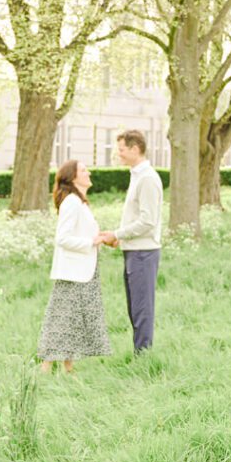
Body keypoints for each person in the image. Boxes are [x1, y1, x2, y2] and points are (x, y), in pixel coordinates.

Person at [37, 160, 113, 373]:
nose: (88, 172)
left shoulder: (80, 203)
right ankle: (46, 368)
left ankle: (67, 368)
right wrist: (92, 242)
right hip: (73, 274)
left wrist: (102, 238)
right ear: (72, 178)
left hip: (83, 272)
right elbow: (63, 238)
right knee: (62, 320)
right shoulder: (71, 202)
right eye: (83, 170)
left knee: (72, 321)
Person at [99, 130, 163, 352]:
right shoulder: (137, 176)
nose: (119, 154)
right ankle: (141, 355)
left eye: (122, 150)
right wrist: (120, 237)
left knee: (142, 309)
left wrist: (118, 234)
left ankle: (143, 359)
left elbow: (148, 221)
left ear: (135, 149)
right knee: (135, 308)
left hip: (143, 253)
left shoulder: (147, 179)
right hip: (134, 251)